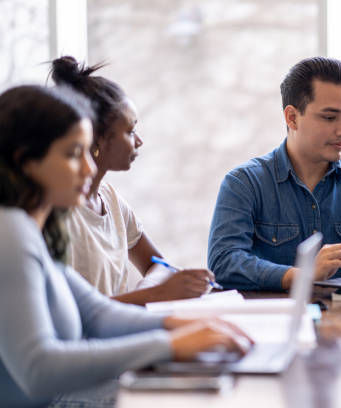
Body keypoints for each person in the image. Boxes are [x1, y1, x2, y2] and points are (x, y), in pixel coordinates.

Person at [0, 85, 252, 407]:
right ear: (26, 161)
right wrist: (171, 344)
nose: (89, 168)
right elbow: (38, 369)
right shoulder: (9, 235)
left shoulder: (30, 229)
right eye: (73, 153)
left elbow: (97, 315)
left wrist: (183, 325)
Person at [208, 57, 341, 291]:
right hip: (273, 323)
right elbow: (223, 264)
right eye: (329, 117)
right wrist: (302, 275)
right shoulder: (244, 184)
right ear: (292, 118)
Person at [50, 56, 212, 305]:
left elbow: (158, 264)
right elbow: (79, 314)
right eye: (130, 131)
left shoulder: (109, 197)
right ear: (97, 138)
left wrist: (150, 287)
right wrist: (155, 294)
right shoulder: (56, 213)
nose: (138, 142)